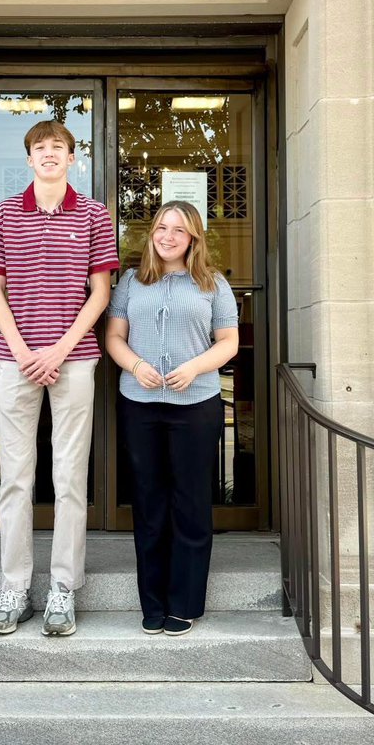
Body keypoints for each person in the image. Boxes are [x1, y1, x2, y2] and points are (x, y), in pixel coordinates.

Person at [0, 120, 119, 637]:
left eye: (58, 147)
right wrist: (22, 351)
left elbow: (99, 294)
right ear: (29, 159)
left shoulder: (95, 215)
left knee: (69, 477)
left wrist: (57, 350)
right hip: (15, 360)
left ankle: (63, 587)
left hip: (75, 358)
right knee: (14, 478)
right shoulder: (3, 214)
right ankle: (14, 587)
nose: (50, 154)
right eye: (40, 148)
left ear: (72, 157)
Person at [106, 200, 239, 637]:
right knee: (149, 503)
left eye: (178, 231)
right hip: (141, 406)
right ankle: (154, 602)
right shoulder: (131, 281)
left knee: (191, 502)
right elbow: (115, 337)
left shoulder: (213, 284)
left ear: (193, 238)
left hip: (196, 405)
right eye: (161, 228)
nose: (167, 236)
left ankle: (184, 603)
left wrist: (196, 367)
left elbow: (228, 343)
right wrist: (134, 366)